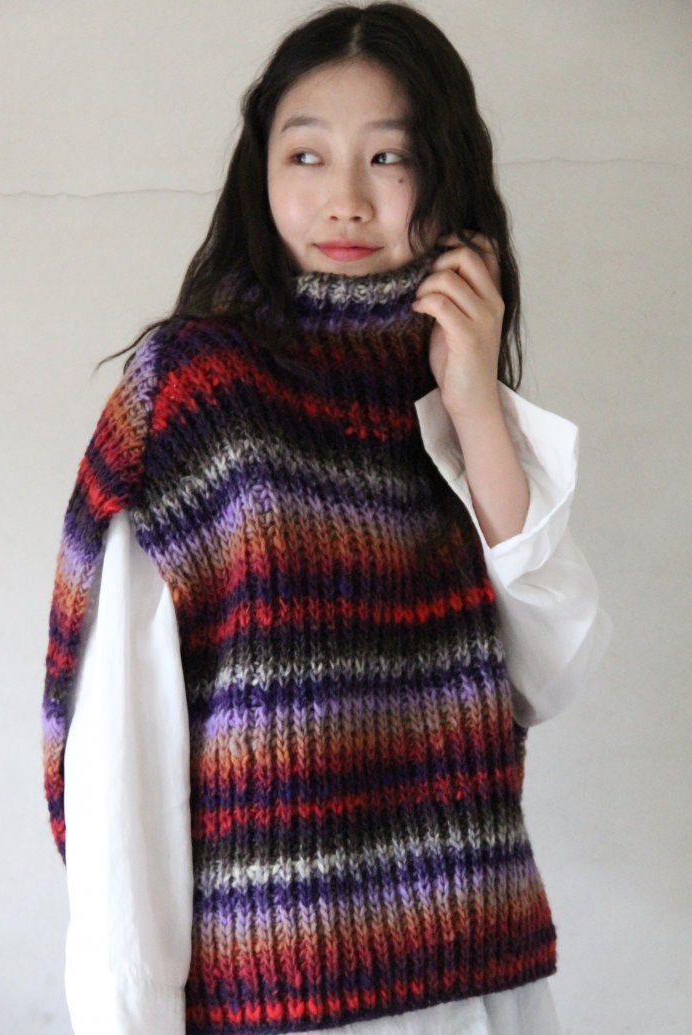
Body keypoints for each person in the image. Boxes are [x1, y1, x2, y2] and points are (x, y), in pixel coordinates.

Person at [40, 3, 611, 1033]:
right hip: (284, 1006)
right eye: (305, 154)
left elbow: (545, 674)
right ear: (260, 172)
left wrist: (475, 404)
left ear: (446, 175)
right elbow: (121, 769)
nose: (344, 198)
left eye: (388, 157)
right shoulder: (200, 397)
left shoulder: (445, 396)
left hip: (482, 988)